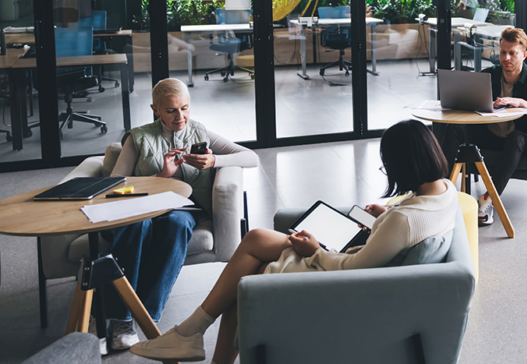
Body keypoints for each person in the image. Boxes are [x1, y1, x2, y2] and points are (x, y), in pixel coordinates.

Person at [130, 119, 458, 364]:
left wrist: (314, 250)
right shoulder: (445, 189)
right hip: (364, 262)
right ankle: (191, 334)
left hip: (344, 280)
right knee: (252, 251)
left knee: (249, 264)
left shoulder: (404, 220)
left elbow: (354, 267)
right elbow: (409, 221)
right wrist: (384, 215)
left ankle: (190, 333)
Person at [101, 78, 258, 350]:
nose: (180, 117)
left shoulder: (200, 131)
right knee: (137, 228)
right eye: (171, 110)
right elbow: (115, 185)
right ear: (155, 109)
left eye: (185, 108)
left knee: (177, 224)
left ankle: (149, 317)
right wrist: (161, 176)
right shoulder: (138, 136)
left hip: (184, 209)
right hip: (143, 206)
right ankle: (122, 320)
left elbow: (251, 158)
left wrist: (214, 160)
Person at [436, 27, 527, 225]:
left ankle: (487, 200)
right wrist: (456, 100)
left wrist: (522, 103)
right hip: (488, 133)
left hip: (513, 140)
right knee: (454, 128)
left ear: (524, 55)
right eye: (502, 52)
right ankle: (440, 191)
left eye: (512, 53)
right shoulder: (489, 75)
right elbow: (469, 98)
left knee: (517, 138)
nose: (506, 58)